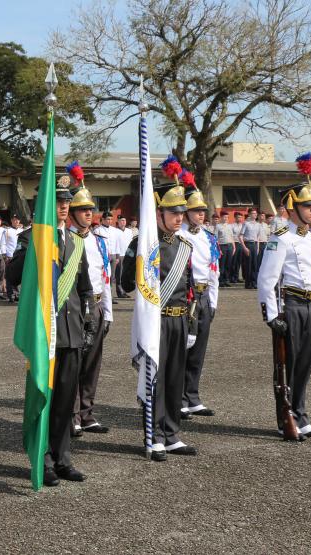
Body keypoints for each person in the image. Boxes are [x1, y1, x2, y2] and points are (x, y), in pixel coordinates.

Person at [7, 178, 94, 486]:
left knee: (65, 401)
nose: (64, 206)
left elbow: (84, 288)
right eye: (58, 201)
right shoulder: (31, 237)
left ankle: (62, 458)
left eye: (66, 201)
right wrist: (34, 248)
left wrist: (90, 322)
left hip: (70, 332)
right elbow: (12, 276)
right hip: (45, 333)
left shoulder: (75, 240)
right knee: (44, 396)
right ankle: (41, 459)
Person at [121, 161, 198, 461]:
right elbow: (126, 283)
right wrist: (139, 259)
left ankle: (172, 433)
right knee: (155, 378)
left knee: (175, 379)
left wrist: (191, 324)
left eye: (182, 212)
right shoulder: (143, 243)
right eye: (174, 212)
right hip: (155, 322)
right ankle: (153, 436)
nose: (180, 217)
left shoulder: (184, 246)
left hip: (178, 321)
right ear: (158, 213)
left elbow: (189, 288)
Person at [257, 163, 311, 440]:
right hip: (291, 307)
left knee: (306, 362)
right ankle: (285, 418)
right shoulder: (280, 240)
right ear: (292, 208)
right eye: (307, 205)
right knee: (288, 366)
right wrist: (272, 316)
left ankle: (301, 414)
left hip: (310, 306)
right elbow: (266, 280)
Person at [66, 163, 112, 436]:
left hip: (95, 306)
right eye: (84, 210)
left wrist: (107, 311)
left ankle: (87, 412)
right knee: (74, 362)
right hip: (73, 308)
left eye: (91, 210)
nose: (89, 214)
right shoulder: (66, 240)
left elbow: (105, 277)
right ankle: (72, 414)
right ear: (72, 214)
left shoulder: (99, 241)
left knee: (92, 363)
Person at [176, 173, 219, 418]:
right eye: (196, 210)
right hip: (186, 297)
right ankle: (179, 397)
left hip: (203, 297)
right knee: (183, 349)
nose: (201, 214)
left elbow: (215, 272)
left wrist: (213, 301)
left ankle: (193, 396)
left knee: (199, 350)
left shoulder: (208, 237)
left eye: (203, 210)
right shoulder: (180, 236)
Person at [239, 209, 260, 289]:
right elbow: (240, 236)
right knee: (248, 265)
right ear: (249, 214)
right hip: (248, 244)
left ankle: (254, 282)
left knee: (255, 265)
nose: (255, 215)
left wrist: (257, 247)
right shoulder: (246, 224)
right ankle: (248, 283)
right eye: (253, 213)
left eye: (255, 213)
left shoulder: (258, 224)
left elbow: (258, 237)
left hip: (254, 245)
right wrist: (244, 247)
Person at [4, 214, 23, 302]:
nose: (16, 221)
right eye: (14, 220)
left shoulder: (22, 230)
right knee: (9, 276)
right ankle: (10, 294)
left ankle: (17, 294)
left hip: (19, 256)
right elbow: (3, 243)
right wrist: (5, 255)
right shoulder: (7, 231)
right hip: (10, 256)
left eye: (17, 220)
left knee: (18, 275)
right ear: (11, 221)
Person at [215, 212, 236, 287]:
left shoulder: (230, 226)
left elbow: (231, 237)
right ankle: (220, 281)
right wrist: (219, 249)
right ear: (221, 217)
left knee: (228, 264)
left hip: (230, 246)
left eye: (227, 217)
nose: (226, 219)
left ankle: (226, 280)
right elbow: (216, 239)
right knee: (222, 265)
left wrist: (234, 247)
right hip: (222, 246)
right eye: (224, 217)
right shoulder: (218, 226)